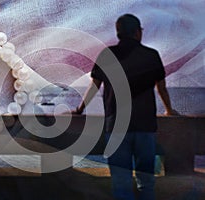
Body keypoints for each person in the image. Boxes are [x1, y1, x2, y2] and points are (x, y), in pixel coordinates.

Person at [74, 14, 178, 200]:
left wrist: (80, 109)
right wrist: (169, 110)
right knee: (146, 184)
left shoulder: (107, 55)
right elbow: (161, 87)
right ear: (138, 32)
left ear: (119, 33)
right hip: (145, 126)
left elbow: (95, 85)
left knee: (120, 184)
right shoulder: (151, 55)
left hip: (116, 127)